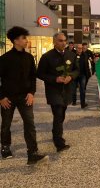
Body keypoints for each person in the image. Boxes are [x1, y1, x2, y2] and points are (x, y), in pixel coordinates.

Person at [0, 26, 48, 165]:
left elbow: (33, 77)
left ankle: (32, 152)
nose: (26, 40)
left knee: (30, 124)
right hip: (7, 98)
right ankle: (5, 147)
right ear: (15, 40)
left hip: (25, 97)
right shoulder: (4, 59)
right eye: (24, 38)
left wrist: (31, 93)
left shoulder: (29, 57)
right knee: (6, 124)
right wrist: (1, 97)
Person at [37, 32, 79, 152]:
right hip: (53, 90)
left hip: (66, 90)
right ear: (54, 42)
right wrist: (55, 79)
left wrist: (71, 77)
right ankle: (58, 142)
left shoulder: (71, 55)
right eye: (60, 40)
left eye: (65, 40)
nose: (63, 42)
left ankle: (56, 132)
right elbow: (39, 73)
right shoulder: (46, 56)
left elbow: (77, 70)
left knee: (61, 114)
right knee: (58, 113)